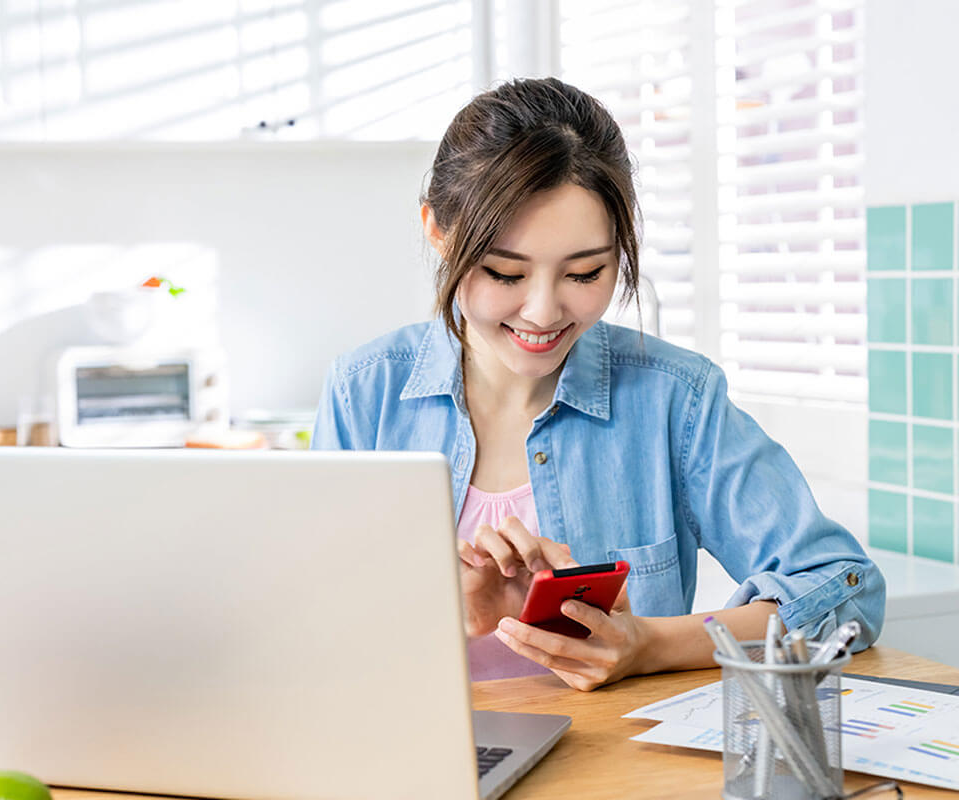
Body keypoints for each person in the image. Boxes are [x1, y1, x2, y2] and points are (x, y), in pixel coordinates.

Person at [310, 77, 885, 690]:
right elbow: (304, 622)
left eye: (585, 272)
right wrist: (443, 614)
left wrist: (650, 645)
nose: (541, 312)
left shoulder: (676, 400)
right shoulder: (364, 393)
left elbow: (844, 589)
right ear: (438, 232)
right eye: (505, 272)